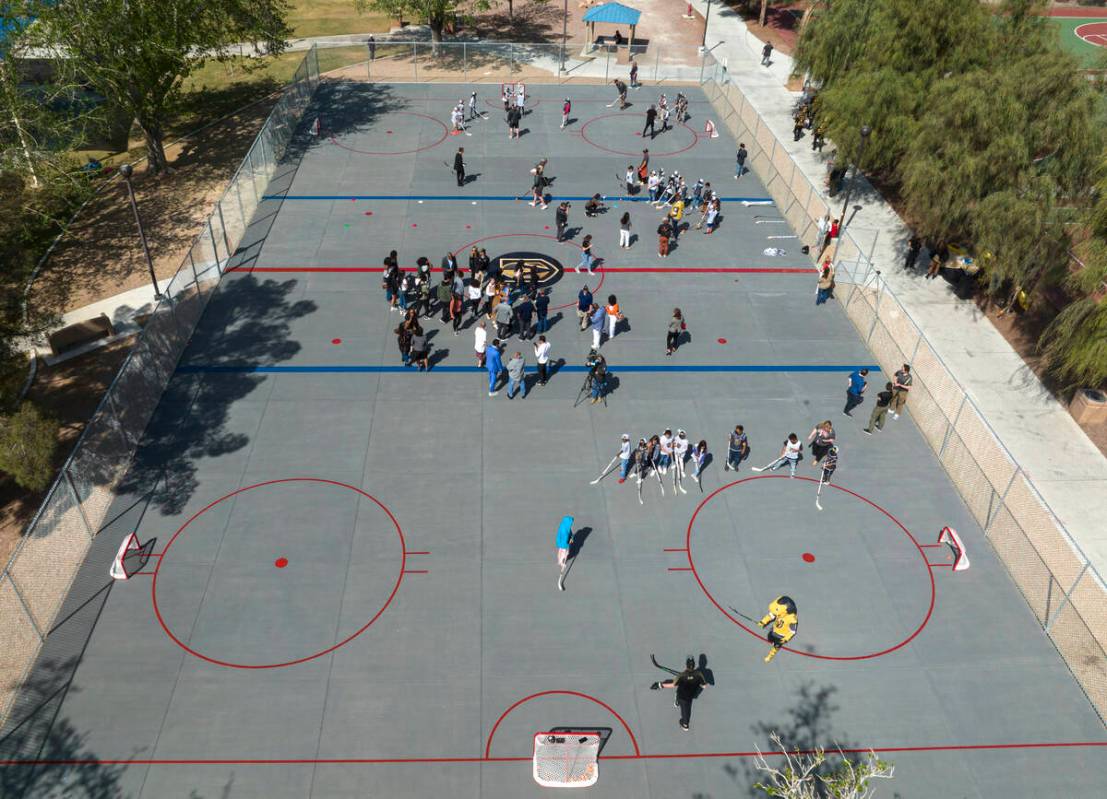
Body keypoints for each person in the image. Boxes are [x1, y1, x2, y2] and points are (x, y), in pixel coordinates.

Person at [653, 657, 707, 731]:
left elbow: (673, 685)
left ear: (686, 665)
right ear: (694, 665)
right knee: (686, 721)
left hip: (682, 696)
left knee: (679, 686)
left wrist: (660, 685)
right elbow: (704, 685)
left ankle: (677, 699)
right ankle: (685, 724)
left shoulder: (682, 675)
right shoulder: (699, 674)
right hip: (690, 696)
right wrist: (696, 685)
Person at [759, 596, 798, 663]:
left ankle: (770, 655)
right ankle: (773, 642)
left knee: (776, 646)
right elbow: (771, 616)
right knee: (770, 638)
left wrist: (785, 639)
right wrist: (763, 621)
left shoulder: (792, 620)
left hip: (781, 636)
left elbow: (792, 632)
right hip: (774, 630)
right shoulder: (780, 613)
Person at [556, 515, 574, 591]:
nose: (572, 525)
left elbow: (570, 533)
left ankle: (561, 560)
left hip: (564, 543)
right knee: (564, 553)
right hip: (562, 544)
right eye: (571, 523)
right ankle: (560, 562)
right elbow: (564, 542)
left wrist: (572, 538)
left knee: (566, 552)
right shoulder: (564, 530)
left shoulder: (567, 527)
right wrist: (567, 544)